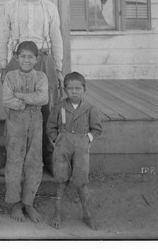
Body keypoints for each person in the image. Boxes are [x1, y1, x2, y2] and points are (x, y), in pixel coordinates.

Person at [0, 0, 63, 175]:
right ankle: (13, 161)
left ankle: (48, 159)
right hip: (18, 59)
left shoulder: (50, 8)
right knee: (16, 111)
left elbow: (56, 38)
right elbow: (1, 37)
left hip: (43, 59)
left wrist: (58, 68)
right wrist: (3, 65)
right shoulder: (10, 7)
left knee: (46, 110)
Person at [46, 72, 102, 230]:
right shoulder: (59, 107)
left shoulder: (90, 108)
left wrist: (87, 139)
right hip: (63, 147)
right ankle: (57, 213)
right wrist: (57, 139)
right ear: (65, 90)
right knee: (61, 181)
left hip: (81, 148)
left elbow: (97, 128)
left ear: (84, 89)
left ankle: (87, 214)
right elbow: (50, 126)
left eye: (78, 88)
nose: (74, 91)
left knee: (81, 182)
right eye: (70, 88)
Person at [2, 41, 48, 223]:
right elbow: (7, 99)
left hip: (36, 123)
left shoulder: (41, 77)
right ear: (16, 57)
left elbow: (43, 98)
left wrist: (20, 96)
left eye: (30, 57)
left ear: (36, 59)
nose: (26, 60)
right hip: (15, 123)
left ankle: (28, 202)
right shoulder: (10, 77)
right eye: (23, 56)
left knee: (34, 162)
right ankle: (15, 202)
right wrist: (27, 102)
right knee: (14, 161)